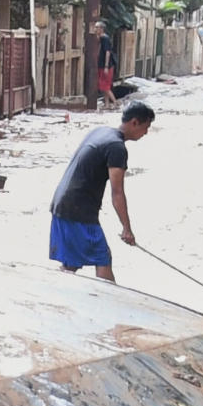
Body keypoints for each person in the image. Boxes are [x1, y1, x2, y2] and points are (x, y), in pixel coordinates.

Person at [49, 99, 151, 280]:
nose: (146, 133)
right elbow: (117, 192)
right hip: (78, 209)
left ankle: (56, 299)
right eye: (146, 127)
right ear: (134, 122)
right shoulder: (117, 148)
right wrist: (127, 229)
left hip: (62, 202)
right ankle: (110, 305)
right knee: (102, 257)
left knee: (71, 262)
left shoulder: (101, 131)